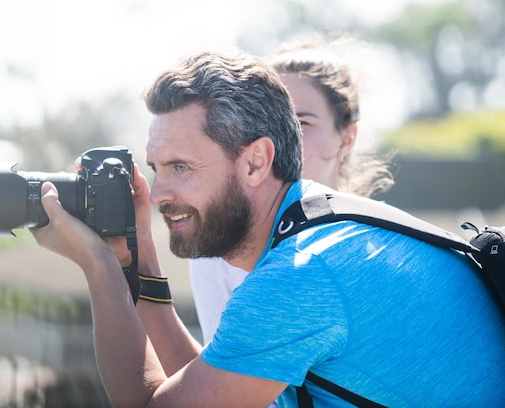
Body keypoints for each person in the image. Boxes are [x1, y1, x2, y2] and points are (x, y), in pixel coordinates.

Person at [31, 49, 505, 407]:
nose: (157, 194)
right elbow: (216, 387)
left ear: (257, 161)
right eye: (156, 168)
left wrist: (98, 267)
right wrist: (137, 261)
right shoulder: (323, 222)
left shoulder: (303, 274)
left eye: (182, 166)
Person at [190, 35, 395, 346]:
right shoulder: (219, 249)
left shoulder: (387, 242)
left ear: (347, 139)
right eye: (267, 123)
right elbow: (218, 384)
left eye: (301, 122)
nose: (280, 138)